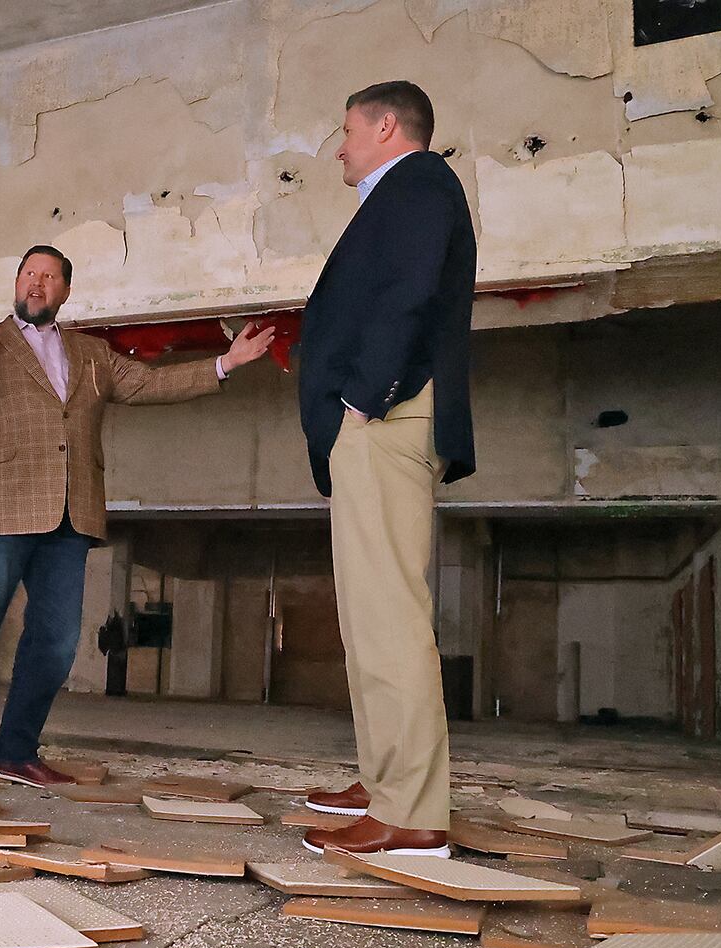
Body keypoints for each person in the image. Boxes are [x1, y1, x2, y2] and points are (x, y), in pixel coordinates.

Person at [0, 245, 275, 791]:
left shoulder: (90, 352)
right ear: (16, 283)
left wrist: (225, 362)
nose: (36, 284)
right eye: (28, 274)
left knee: (57, 643)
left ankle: (15, 752)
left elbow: (148, 383)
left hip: (71, 513)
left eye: (49, 277)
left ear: (65, 290)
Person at [296, 82, 477, 855]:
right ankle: (384, 780)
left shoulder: (420, 182)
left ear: (385, 125)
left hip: (387, 416)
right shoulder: (402, 193)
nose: (340, 148)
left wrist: (363, 401)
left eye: (346, 132)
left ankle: (412, 812)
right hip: (377, 419)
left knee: (390, 615)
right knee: (366, 616)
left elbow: (408, 296)